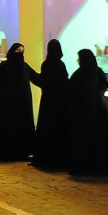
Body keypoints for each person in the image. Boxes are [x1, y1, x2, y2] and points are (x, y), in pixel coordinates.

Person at [0, 42, 38, 162]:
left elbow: (36, 78)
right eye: (18, 51)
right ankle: (6, 153)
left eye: (22, 51)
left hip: (21, 104)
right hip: (7, 104)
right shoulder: (4, 66)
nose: (20, 54)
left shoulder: (24, 67)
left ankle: (21, 152)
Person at [69, 48, 108, 176]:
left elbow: (71, 91)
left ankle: (83, 167)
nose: (77, 60)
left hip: (82, 114)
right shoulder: (97, 71)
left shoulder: (79, 74)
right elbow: (104, 85)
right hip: (98, 110)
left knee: (83, 141)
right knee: (98, 139)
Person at [31, 39, 70, 169]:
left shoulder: (47, 64)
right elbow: (64, 82)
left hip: (48, 102)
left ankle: (45, 158)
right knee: (58, 129)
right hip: (60, 103)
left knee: (46, 128)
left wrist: (32, 75)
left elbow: (43, 81)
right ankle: (58, 159)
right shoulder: (61, 65)